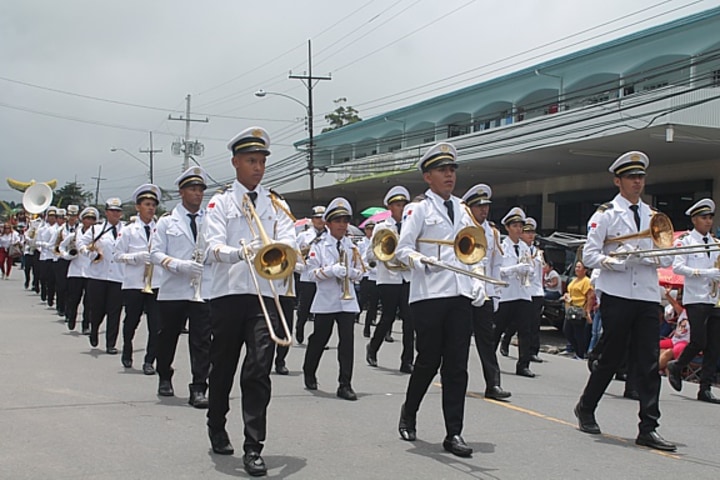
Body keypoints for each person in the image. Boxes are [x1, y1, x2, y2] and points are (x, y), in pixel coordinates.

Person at [204, 126, 296, 476]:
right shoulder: (220, 202)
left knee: (258, 368)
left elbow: (289, 244)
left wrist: (283, 252)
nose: (258, 168)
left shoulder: (276, 204)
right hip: (228, 294)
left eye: (261, 161)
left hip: (264, 297)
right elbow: (211, 248)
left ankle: (254, 446)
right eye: (251, 161)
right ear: (235, 163)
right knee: (223, 367)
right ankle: (216, 424)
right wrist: (238, 252)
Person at [575, 151, 676, 452]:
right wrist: (618, 260)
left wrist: (649, 256)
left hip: (645, 294)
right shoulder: (605, 214)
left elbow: (668, 255)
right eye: (631, 177)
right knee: (611, 357)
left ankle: (649, 426)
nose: (637, 182)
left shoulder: (653, 216)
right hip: (617, 293)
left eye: (640, 177)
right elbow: (590, 255)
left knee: (648, 362)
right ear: (618, 180)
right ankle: (586, 406)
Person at [395, 142, 477, 457]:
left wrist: (478, 281)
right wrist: (420, 260)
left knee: (457, 365)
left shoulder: (464, 208)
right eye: (442, 170)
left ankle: (453, 432)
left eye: (452, 169)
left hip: (459, 292)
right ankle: (409, 410)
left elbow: (474, 248)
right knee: (429, 361)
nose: (449, 175)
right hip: (428, 294)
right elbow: (403, 249)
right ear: (428, 176)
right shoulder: (418, 208)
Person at [151, 167, 212, 408]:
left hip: (203, 288)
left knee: (202, 341)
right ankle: (164, 375)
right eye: (192, 189)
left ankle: (199, 387)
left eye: (200, 190)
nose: (197, 194)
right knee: (167, 337)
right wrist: (178, 265)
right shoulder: (167, 221)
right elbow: (155, 253)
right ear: (181, 192)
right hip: (173, 289)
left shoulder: (210, 220)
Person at [303, 197, 364, 400]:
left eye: (345, 221)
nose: (342, 225)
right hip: (326, 300)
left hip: (347, 301)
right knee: (320, 338)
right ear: (328, 224)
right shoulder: (319, 246)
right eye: (338, 221)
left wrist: (353, 273)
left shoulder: (352, 246)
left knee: (347, 342)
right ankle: (309, 370)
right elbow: (311, 273)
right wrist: (332, 270)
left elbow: (360, 271)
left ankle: (345, 384)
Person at [461, 183, 511, 400]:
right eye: (479, 206)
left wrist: (496, 292)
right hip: (464, 290)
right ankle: (453, 377)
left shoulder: (492, 232)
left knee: (487, 340)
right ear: (470, 207)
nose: (484, 210)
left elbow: (495, 264)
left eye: (486, 206)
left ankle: (493, 384)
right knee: (459, 339)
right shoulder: (461, 227)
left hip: (486, 292)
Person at [668, 198, 720, 404]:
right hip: (696, 297)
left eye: (710, 218)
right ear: (694, 219)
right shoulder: (686, 242)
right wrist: (705, 273)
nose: (708, 222)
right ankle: (677, 365)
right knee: (699, 340)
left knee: (714, 345)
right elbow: (678, 267)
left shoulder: (716, 244)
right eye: (704, 218)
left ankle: (705, 388)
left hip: (714, 298)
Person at [365, 186, 415, 373]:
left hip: (407, 277)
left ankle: (407, 360)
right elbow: (370, 254)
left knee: (410, 320)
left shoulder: (412, 224)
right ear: (389, 207)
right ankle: (373, 347)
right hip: (388, 278)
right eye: (397, 205)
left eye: (403, 204)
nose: (401, 208)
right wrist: (386, 255)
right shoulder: (381, 227)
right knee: (387, 317)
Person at [114, 184, 162, 374]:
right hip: (134, 283)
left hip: (156, 283)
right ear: (138, 207)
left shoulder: (161, 229)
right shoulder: (128, 230)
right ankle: (127, 349)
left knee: (156, 325)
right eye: (147, 204)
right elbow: (117, 255)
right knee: (131, 321)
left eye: (153, 205)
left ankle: (150, 360)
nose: (150, 208)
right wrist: (136, 257)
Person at [77, 198, 125, 354]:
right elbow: (81, 244)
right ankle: (94, 329)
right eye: (112, 211)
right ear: (106, 212)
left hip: (118, 277)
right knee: (97, 309)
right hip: (98, 275)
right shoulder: (95, 230)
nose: (116, 214)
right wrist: (89, 254)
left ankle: (111, 343)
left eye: (118, 211)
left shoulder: (127, 230)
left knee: (114, 311)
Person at [501, 217, 544, 363]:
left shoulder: (527, 248)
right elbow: (497, 271)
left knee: (526, 330)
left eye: (520, 226)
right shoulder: (501, 246)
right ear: (507, 228)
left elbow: (534, 270)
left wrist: (529, 271)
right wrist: (515, 269)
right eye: (515, 226)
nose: (519, 229)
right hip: (507, 294)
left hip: (525, 293)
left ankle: (524, 364)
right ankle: (490, 360)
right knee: (498, 329)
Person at [61, 207, 96, 332]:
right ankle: (71, 317)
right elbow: (61, 246)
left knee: (89, 301)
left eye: (92, 219)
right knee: (73, 298)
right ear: (82, 219)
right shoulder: (74, 234)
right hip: (75, 270)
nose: (90, 221)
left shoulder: (98, 235)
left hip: (91, 271)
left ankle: (86, 325)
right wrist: (67, 255)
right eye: (87, 218)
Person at [295, 206, 326, 344]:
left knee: (321, 310)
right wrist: (300, 265)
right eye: (317, 218)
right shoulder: (303, 236)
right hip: (307, 276)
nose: (320, 221)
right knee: (305, 307)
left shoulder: (329, 235)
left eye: (322, 218)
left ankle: (317, 338)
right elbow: (294, 254)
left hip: (324, 276)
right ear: (312, 219)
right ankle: (300, 326)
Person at [562, 262, 594, 359]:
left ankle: (580, 353)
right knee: (567, 331)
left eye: (579, 267)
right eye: (576, 267)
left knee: (578, 333)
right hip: (570, 309)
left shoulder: (587, 281)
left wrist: (587, 311)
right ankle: (577, 351)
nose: (576, 269)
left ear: (585, 270)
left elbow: (590, 297)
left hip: (579, 309)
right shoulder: (574, 280)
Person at [357, 220, 379, 338]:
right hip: (366, 274)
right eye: (369, 229)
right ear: (365, 230)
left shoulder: (379, 241)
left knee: (374, 304)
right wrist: (368, 267)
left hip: (377, 276)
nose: (370, 232)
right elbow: (360, 259)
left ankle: (367, 326)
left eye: (372, 229)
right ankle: (357, 313)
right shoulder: (361, 243)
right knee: (363, 299)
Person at [35, 207, 58, 307]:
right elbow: (37, 242)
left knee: (52, 278)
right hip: (44, 255)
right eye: (50, 216)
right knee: (43, 277)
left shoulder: (58, 229)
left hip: (53, 256)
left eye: (54, 216)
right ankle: (44, 292)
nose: (52, 218)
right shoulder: (42, 229)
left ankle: (50, 297)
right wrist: (44, 245)